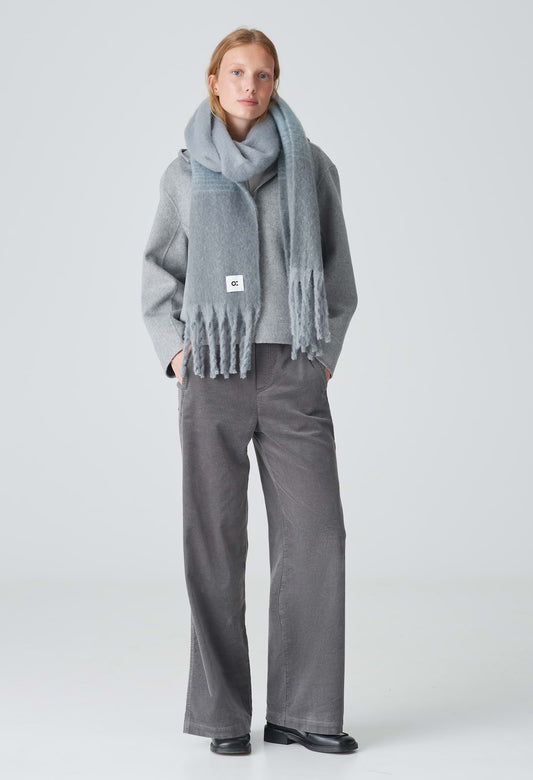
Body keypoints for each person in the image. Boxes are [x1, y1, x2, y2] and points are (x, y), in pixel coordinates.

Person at [141, 27, 359, 756]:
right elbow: (160, 273)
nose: (250, 86)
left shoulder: (311, 165)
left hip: (291, 368)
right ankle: (222, 717)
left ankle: (304, 710)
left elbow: (336, 272)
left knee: (316, 536)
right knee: (213, 540)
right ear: (214, 80)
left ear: (274, 83)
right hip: (214, 372)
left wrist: (321, 356)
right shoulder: (183, 174)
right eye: (237, 72)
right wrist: (178, 353)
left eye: (263, 75)